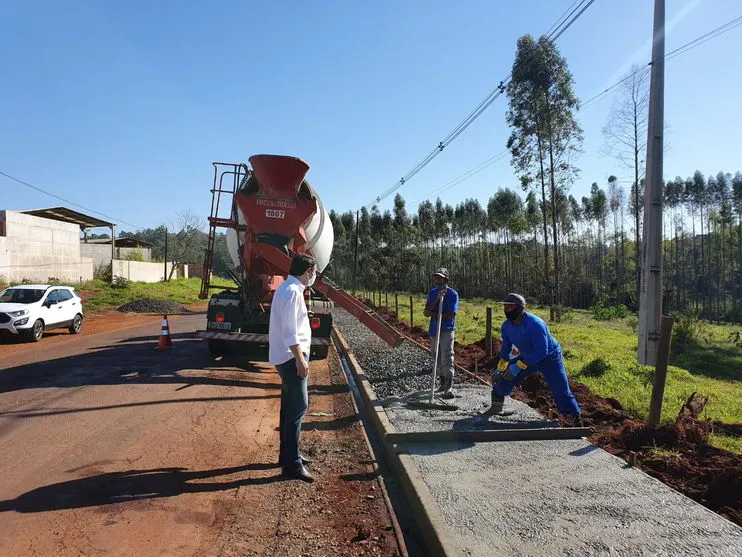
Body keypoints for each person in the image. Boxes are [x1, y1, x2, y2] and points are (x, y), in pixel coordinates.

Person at [483, 293, 584, 427]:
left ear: (520, 308)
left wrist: (518, 366)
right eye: (505, 307)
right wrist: (500, 368)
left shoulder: (535, 324)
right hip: (528, 355)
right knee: (503, 377)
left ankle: (575, 418)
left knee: (560, 389)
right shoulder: (507, 326)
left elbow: (542, 351)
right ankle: (496, 406)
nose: (507, 310)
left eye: (510, 307)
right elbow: (506, 350)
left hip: (550, 358)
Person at [268, 253, 317, 482]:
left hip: (286, 356)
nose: (314, 276)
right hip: (290, 357)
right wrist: (300, 359)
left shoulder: (288, 289)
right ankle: (292, 465)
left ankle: (288, 455)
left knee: (289, 407)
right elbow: (290, 331)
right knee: (298, 407)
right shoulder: (292, 292)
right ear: (308, 271)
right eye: (314, 272)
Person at [422, 268, 459, 399]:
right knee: (436, 355)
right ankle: (442, 383)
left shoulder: (452, 294)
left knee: (447, 355)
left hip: (446, 330)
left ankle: (448, 387)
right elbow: (426, 312)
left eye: (440, 278)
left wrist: (435, 314)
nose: (437, 280)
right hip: (434, 329)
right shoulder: (432, 293)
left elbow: (451, 315)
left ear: (445, 279)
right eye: (436, 278)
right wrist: (437, 299)